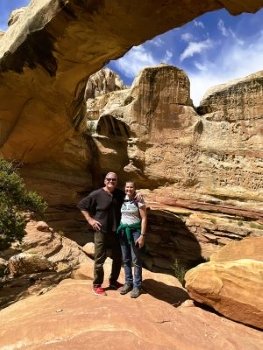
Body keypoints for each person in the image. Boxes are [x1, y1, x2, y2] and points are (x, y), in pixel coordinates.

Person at [77, 172, 124, 296]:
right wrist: (90, 220)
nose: (111, 181)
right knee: (99, 258)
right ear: (104, 181)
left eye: (114, 179)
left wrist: (139, 196)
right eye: (108, 179)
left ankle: (113, 281)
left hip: (116, 231)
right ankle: (97, 284)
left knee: (118, 258)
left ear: (116, 181)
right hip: (101, 231)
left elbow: (131, 199)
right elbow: (82, 205)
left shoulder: (120, 194)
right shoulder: (96, 194)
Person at [117, 181, 147, 298]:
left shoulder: (139, 200)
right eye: (127, 187)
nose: (129, 189)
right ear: (124, 188)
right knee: (125, 259)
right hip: (123, 231)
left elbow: (144, 218)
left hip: (135, 232)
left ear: (135, 188)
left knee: (136, 260)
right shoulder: (122, 198)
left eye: (131, 187)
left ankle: (137, 286)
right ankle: (128, 283)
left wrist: (142, 235)